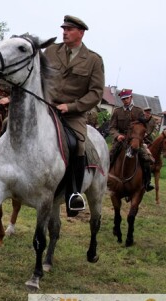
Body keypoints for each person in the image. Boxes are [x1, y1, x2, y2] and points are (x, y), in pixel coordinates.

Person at [42, 15, 105, 215]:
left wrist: (71, 107)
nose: (65, 32)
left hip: (73, 114)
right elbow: (38, 76)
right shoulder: (51, 51)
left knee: (77, 144)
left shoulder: (93, 60)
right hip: (46, 107)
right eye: (64, 28)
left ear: (81, 32)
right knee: (10, 122)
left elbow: (96, 93)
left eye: (69, 29)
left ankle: (73, 194)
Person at [109, 88, 154, 192]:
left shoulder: (138, 111)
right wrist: (117, 136)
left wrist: (140, 135)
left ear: (131, 97)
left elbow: (144, 125)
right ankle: (104, 178)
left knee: (146, 158)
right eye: (123, 98)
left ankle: (147, 182)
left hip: (135, 139)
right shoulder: (117, 111)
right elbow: (112, 127)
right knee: (110, 155)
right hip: (121, 139)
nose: (125, 100)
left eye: (127, 98)